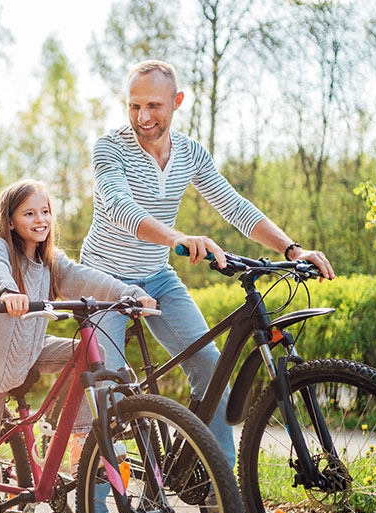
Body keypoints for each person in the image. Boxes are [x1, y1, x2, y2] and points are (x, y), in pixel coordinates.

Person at [81, 60, 335, 470]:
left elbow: (235, 206)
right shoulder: (110, 147)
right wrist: (177, 237)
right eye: (134, 106)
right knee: (107, 391)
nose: (143, 118)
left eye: (154, 106)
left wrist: (293, 250)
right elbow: (117, 207)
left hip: (157, 277)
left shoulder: (190, 153)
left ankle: (222, 489)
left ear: (177, 101)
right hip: (103, 281)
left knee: (211, 368)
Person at [0, 180, 157, 513]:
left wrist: (130, 293)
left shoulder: (50, 260)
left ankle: (76, 436)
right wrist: (8, 292)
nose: (40, 219)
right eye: (29, 213)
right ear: (11, 220)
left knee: (87, 350)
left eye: (45, 212)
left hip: (32, 349)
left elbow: (83, 278)